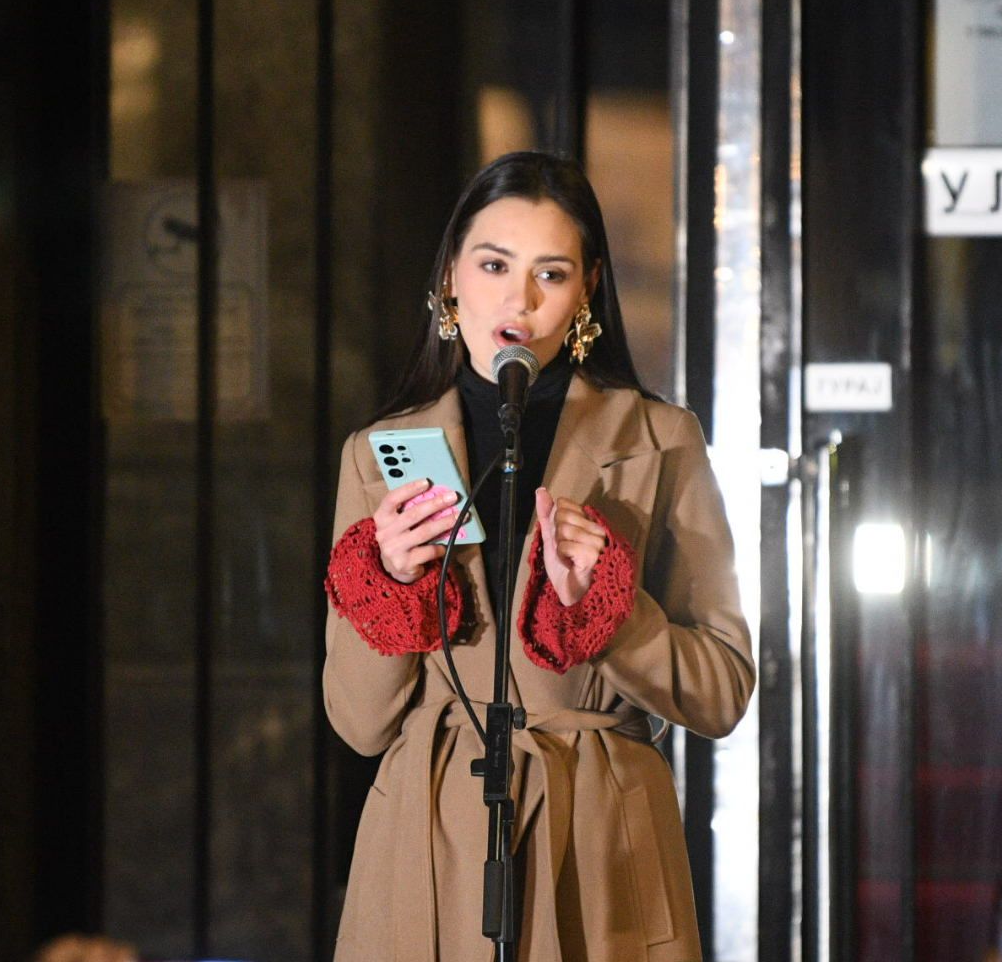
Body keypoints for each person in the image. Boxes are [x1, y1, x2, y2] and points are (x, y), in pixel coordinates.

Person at [322, 151, 755, 962]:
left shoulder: (660, 441)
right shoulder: (383, 451)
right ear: (451, 276)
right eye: (494, 265)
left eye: (550, 274)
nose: (518, 300)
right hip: (428, 840)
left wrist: (611, 611)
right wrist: (396, 581)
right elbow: (359, 721)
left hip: (599, 839)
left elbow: (723, 688)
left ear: (587, 288)